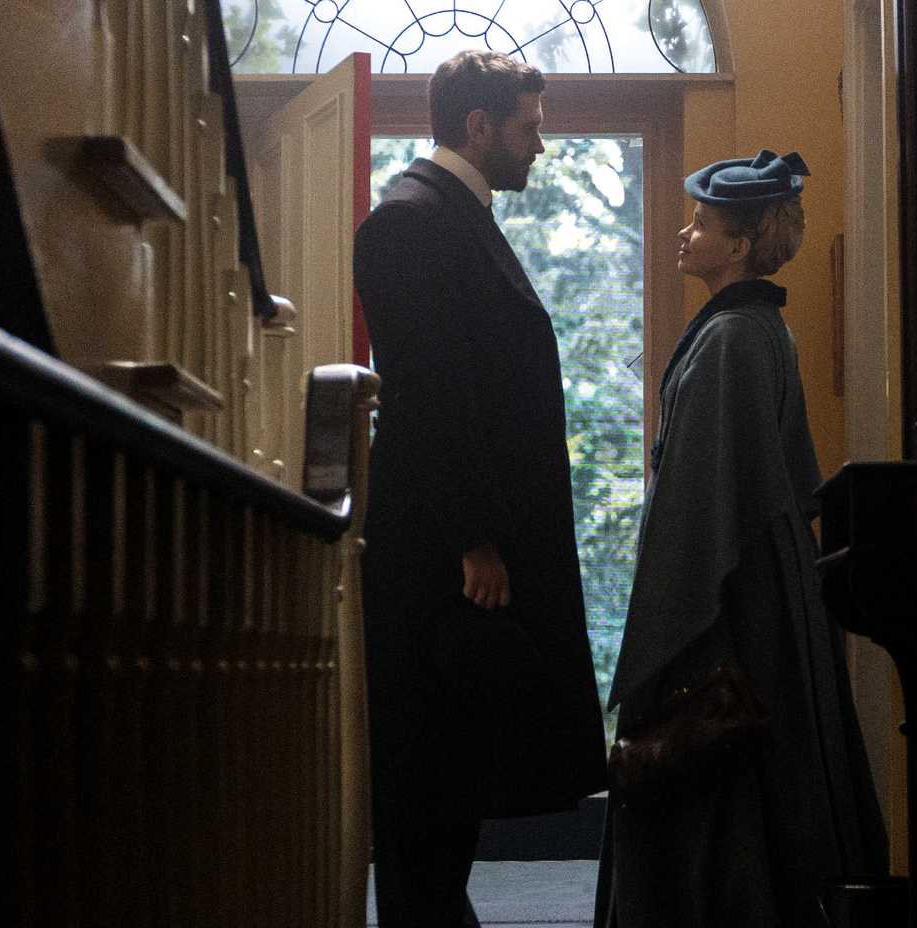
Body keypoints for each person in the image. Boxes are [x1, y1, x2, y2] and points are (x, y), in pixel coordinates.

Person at [595, 150, 889, 927]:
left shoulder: (733, 338)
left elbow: (702, 505)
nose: (685, 234)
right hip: (760, 583)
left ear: (740, 243)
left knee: (713, 765)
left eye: (702, 223)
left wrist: (663, 634)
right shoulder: (756, 328)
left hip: (726, 594)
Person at [352, 50, 608, 927]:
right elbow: (427, 394)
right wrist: (474, 538)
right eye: (528, 127)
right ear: (477, 126)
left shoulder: (449, 216)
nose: (540, 144)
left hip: (461, 552)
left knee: (450, 789)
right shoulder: (411, 221)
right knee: (428, 794)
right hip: (441, 561)